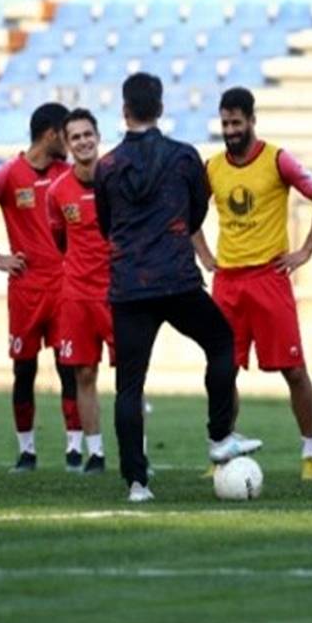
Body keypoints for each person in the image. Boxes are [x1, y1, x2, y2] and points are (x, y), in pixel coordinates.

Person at [95, 72, 260, 502]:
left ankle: (137, 483)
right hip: (176, 279)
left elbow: (106, 224)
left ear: (125, 110)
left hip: (130, 285)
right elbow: (196, 212)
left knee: (130, 385)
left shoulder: (107, 167)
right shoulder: (184, 157)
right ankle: (219, 436)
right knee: (220, 341)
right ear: (161, 108)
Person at [192, 87, 312, 481]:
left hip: (269, 279)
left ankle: (311, 454)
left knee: (294, 370)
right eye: (225, 124)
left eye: (237, 123)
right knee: (223, 371)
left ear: (252, 121)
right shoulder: (212, 168)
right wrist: (203, 254)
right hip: (227, 283)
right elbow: (187, 212)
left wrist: (305, 250)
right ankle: (220, 451)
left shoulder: (277, 160)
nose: (230, 130)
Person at [0, 103, 84, 472]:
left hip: (64, 286)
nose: (70, 142)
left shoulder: (68, 173)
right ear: (50, 134)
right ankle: (26, 451)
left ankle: (74, 450)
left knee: (69, 367)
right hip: (26, 288)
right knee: (24, 370)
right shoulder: (8, 174)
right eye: (65, 135)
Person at [47, 108, 111, 474]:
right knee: (84, 374)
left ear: (98, 137)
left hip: (117, 294)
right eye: (76, 137)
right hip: (77, 295)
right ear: (68, 144)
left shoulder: (117, 179)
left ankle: (138, 452)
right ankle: (96, 453)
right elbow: (59, 238)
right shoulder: (57, 192)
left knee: (131, 374)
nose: (83, 141)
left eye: (88, 134)